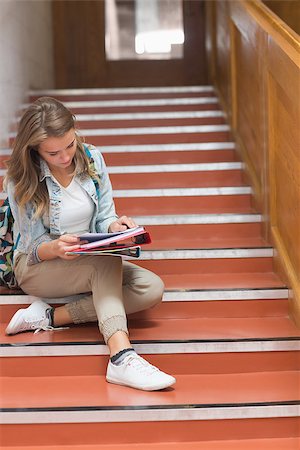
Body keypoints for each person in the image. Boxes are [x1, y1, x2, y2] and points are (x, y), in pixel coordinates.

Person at [4, 96, 175, 392]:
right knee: (105, 263)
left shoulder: (92, 157)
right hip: (38, 266)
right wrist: (56, 247)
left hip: (87, 258)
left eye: (69, 145)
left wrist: (116, 227)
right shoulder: (22, 179)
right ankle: (121, 356)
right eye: (53, 152)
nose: (66, 156)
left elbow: (105, 216)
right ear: (35, 149)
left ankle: (48, 316)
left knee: (151, 288)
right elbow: (32, 249)